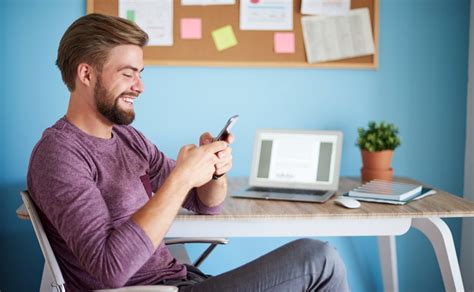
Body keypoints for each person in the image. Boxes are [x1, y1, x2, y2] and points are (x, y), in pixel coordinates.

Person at [27, 13, 349, 292]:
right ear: (86, 74)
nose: (139, 86)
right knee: (319, 260)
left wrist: (213, 173)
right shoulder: (59, 156)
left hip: (183, 281)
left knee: (318, 262)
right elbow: (109, 268)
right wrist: (181, 178)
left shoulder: (128, 139)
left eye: (141, 74)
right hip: (154, 290)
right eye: (128, 73)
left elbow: (205, 203)